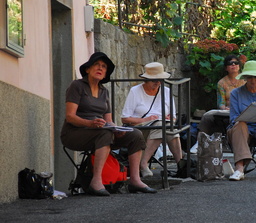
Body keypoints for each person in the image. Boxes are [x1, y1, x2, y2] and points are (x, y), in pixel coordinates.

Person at [61, 52, 156, 196]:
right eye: (96, 65)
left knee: (134, 134)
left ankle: (135, 180)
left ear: (105, 73)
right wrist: (90, 123)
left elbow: (108, 119)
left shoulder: (104, 91)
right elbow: (70, 117)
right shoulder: (77, 86)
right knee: (105, 133)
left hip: (99, 132)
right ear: (87, 69)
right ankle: (96, 181)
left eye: (103, 67)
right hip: (74, 133)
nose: (100, 68)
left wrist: (116, 129)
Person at [121, 62, 183, 178]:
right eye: (154, 80)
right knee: (161, 125)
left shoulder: (166, 91)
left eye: (160, 80)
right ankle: (143, 164)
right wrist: (146, 119)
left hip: (161, 127)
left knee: (169, 128)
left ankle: (181, 164)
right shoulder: (135, 91)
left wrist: (171, 119)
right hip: (140, 128)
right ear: (146, 80)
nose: (158, 83)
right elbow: (125, 118)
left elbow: (173, 117)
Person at [189, 55, 246, 153]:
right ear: (226, 68)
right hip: (227, 110)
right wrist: (224, 108)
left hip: (243, 110)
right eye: (230, 63)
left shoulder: (245, 80)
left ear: (239, 66)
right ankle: (199, 143)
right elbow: (221, 102)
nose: (233, 65)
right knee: (208, 116)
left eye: (236, 63)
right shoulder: (222, 83)